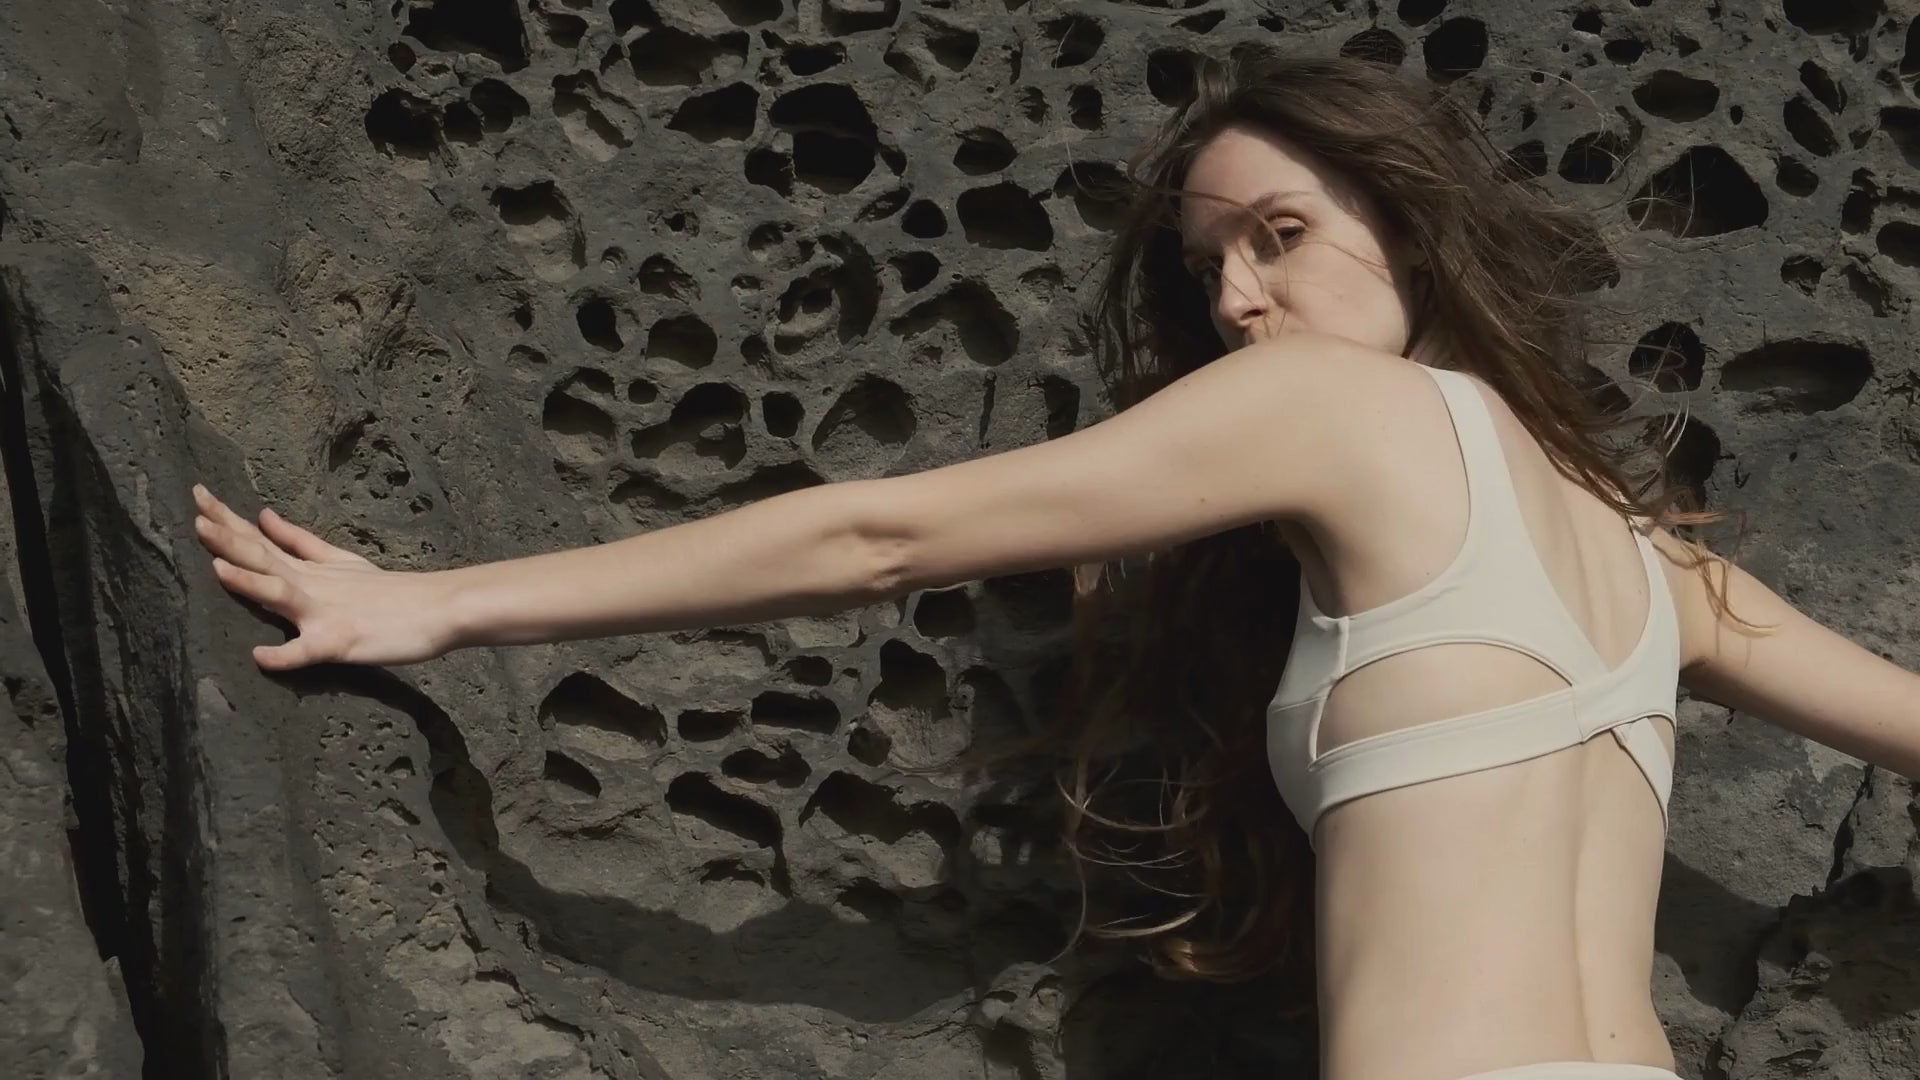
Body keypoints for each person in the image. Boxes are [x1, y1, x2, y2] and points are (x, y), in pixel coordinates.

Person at [191, 46, 1918, 1080]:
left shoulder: (1336, 403)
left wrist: (438, 602)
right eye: (1208, 265)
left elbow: (878, 534)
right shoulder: (1649, 557)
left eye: (1281, 234)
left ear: (1408, 222)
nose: (1239, 298)